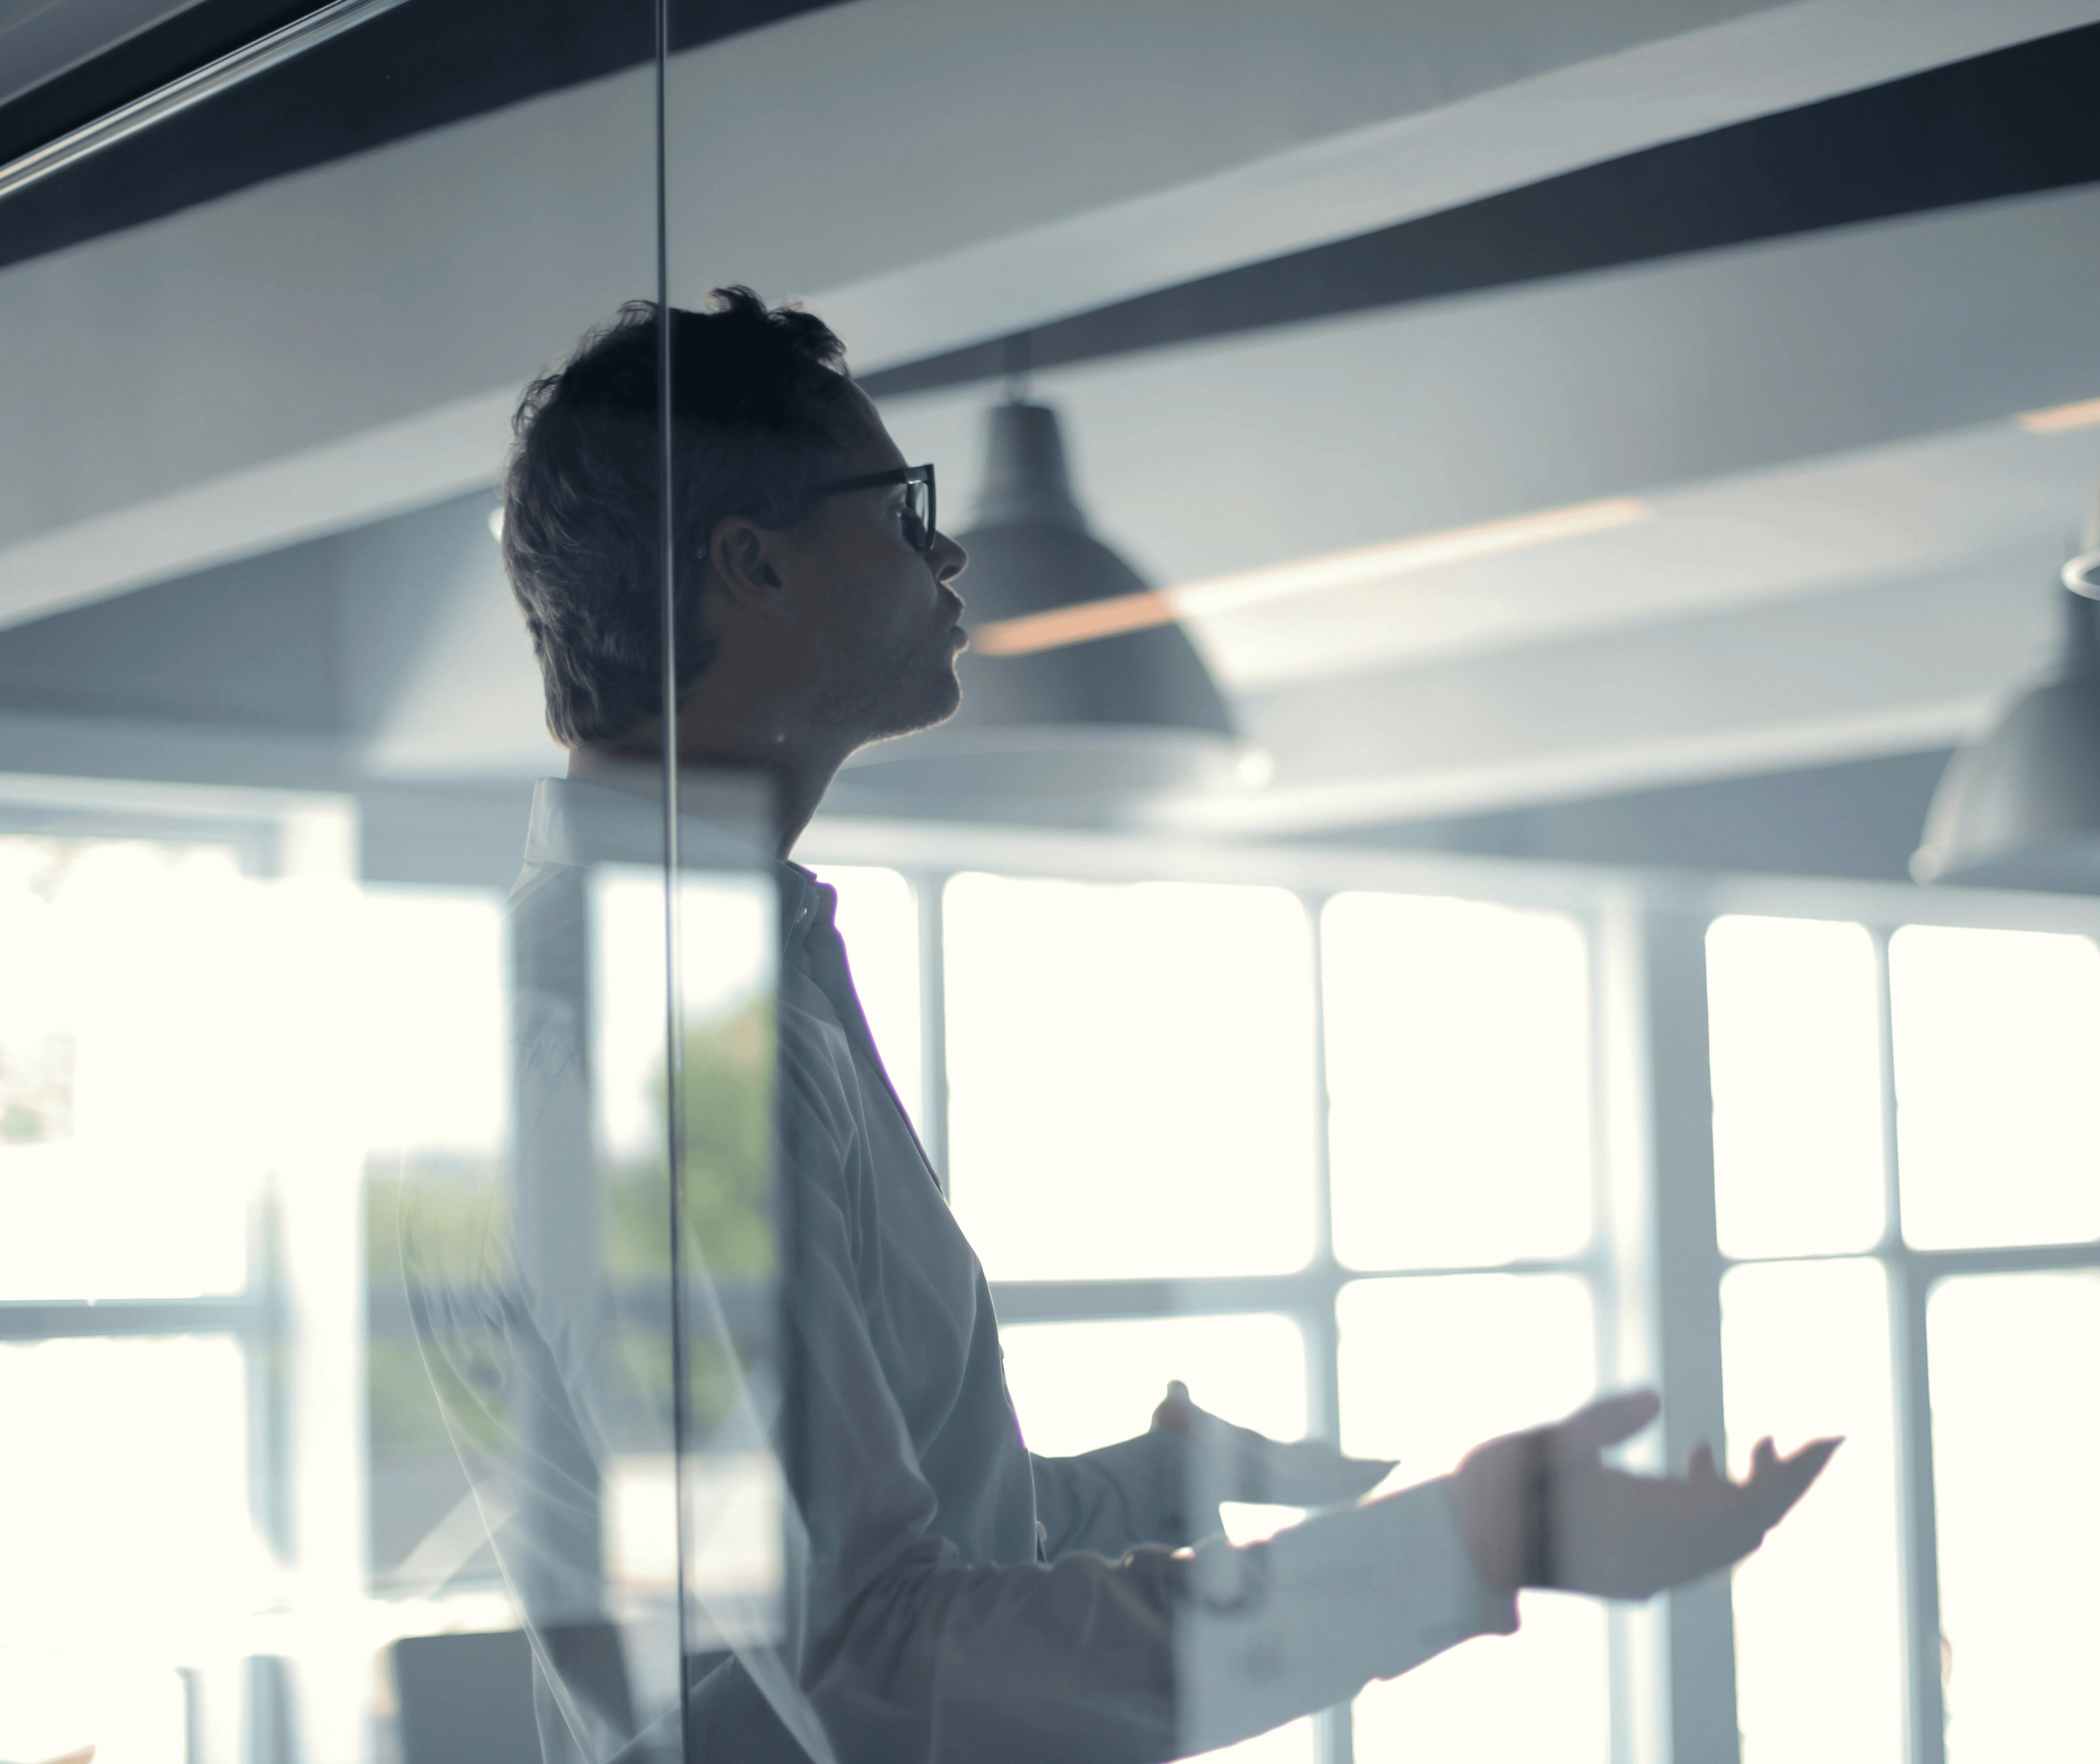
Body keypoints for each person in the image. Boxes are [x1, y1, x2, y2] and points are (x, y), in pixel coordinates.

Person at [493, 287, 1837, 1763]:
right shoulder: (651, 1033)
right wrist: (1470, 1542)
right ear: (751, 566)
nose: (946, 553)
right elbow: (870, 1669)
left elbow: (884, 1562)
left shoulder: (714, 973)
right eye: (899, 509)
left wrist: (1165, 1478)